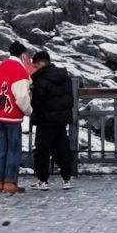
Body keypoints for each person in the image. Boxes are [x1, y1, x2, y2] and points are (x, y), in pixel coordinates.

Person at [0, 42, 33, 195]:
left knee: (1, 149)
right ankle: (10, 182)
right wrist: (28, 110)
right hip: (13, 116)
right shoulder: (19, 69)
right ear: (23, 55)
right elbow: (21, 95)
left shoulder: (0, 67)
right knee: (13, 149)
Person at [28, 48, 76, 190]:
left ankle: (43, 181)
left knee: (43, 151)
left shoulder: (41, 79)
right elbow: (69, 98)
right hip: (61, 120)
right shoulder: (64, 76)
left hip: (45, 120)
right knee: (62, 149)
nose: (35, 69)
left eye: (36, 66)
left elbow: (38, 102)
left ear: (42, 63)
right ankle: (66, 179)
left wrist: (32, 93)